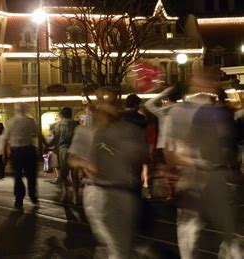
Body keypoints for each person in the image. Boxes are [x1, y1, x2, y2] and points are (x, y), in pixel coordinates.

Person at [165, 75, 241, 258]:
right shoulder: (217, 112)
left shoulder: (212, 113)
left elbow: (172, 149)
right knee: (204, 231)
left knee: (195, 232)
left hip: (207, 177)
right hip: (203, 177)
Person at [68, 92, 149, 258]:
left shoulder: (129, 130)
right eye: (102, 102)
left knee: (112, 246)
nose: (107, 106)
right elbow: (72, 158)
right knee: (118, 247)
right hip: (99, 192)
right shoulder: (86, 131)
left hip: (126, 192)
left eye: (112, 102)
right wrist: (86, 164)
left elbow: (142, 155)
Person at [5, 103, 39, 210]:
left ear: (15, 110)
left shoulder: (10, 122)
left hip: (16, 152)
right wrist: (45, 147)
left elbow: (5, 139)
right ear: (24, 110)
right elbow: (38, 134)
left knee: (17, 176)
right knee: (31, 175)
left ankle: (19, 199)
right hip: (29, 150)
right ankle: (33, 195)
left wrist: (5, 154)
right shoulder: (30, 121)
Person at [50, 107, 78, 204]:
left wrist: (52, 148)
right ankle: (75, 197)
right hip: (75, 149)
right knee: (74, 175)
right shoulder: (76, 124)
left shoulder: (58, 125)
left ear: (62, 114)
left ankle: (65, 194)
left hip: (63, 149)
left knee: (64, 174)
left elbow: (56, 140)